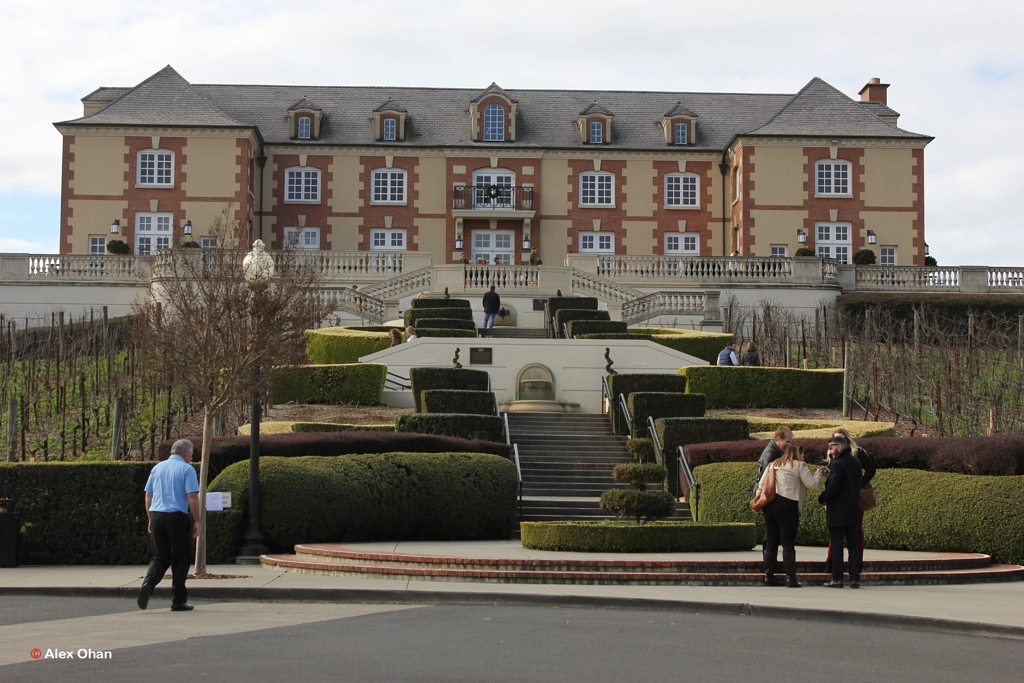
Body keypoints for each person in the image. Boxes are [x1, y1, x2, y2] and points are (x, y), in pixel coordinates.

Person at [138, 439, 201, 612]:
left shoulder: (157, 468)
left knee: (160, 557)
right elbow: (192, 496)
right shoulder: (187, 469)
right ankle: (178, 600)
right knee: (180, 559)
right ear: (185, 452)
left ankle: (148, 584)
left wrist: (150, 518)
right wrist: (198, 520)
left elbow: (148, 496)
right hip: (176, 516)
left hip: (157, 515)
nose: (193, 455)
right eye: (192, 452)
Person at [755, 445, 822, 587]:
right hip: (789, 505)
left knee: (771, 542)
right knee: (788, 543)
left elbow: (761, 485)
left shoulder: (773, 464)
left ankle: (768, 576)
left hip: (770, 505)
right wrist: (818, 475)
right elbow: (812, 485)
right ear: (798, 454)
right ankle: (791, 579)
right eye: (803, 454)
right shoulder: (799, 465)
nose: (804, 458)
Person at [824, 427, 876, 573]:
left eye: (841, 439)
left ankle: (856, 562)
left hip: (854, 497)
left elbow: (871, 470)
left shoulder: (857, 453)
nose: (838, 443)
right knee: (836, 532)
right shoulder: (832, 456)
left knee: (855, 531)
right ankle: (831, 561)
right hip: (837, 499)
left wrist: (858, 483)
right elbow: (832, 481)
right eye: (835, 440)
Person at [818, 435, 863, 588]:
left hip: (838, 510)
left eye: (831, 448)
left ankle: (837, 578)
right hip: (853, 508)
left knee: (837, 544)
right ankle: (855, 578)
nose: (829, 451)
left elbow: (834, 488)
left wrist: (822, 497)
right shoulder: (856, 462)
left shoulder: (838, 464)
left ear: (839, 447)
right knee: (853, 545)